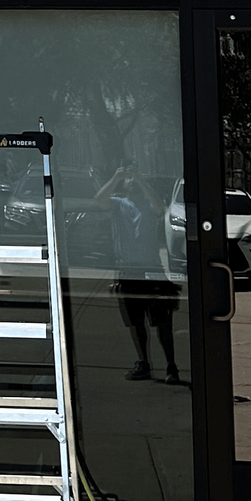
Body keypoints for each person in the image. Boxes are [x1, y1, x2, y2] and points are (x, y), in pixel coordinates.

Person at [98, 159, 181, 384]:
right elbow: (100, 200)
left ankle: (171, 366)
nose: (131, 180)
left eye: (134, 177)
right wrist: (116, 177)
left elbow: (159, 208)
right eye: (128, 178)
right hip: (127, 270)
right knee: (136, 323)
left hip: (152, 269)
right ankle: (143, 362)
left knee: (162, 321)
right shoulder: (117, 203)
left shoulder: (149, 202)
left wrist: (141, 179)